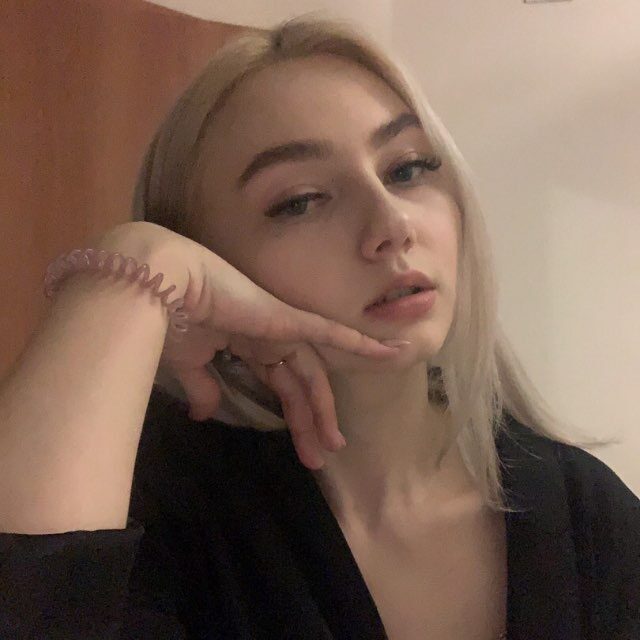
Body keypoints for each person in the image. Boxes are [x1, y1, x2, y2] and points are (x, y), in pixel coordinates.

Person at [0, 13, 638, 640]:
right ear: (211, 267)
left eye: (408, 168)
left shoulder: (589, 519)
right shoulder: (161, 517)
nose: (392, 225)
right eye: (300, 201)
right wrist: (138, 260)